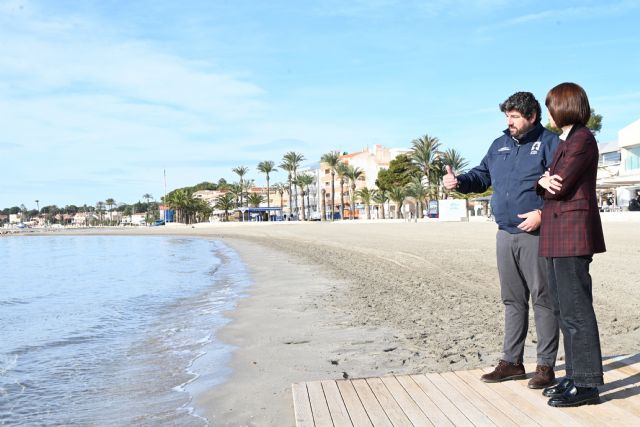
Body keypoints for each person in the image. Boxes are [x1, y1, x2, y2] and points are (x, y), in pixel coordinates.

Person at [443, 91, 560, 388]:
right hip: (505, 233)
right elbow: (481, 176)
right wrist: (458, 182)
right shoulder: (499, 145)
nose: (509, 122)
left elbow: (564, 187)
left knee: (543, 299)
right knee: (512, 300)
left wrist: (542, 214)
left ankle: (545, 366)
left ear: (532, 116)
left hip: (536, 234)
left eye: (515, 117)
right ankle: (511, 362)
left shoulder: (550, 143)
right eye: (507, 116)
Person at [536, 82, 606, 407]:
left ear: (565, 107)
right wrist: (542, 180)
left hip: (572, 234)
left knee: (577, 311)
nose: (549, 114)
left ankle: (588, 385)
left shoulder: (582, 139)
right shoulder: (567, 140)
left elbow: (559, 186)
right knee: (563, 311)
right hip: (557, 234)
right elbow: (547, 181)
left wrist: (544, 181)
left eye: (551, 107)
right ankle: (575, 376)